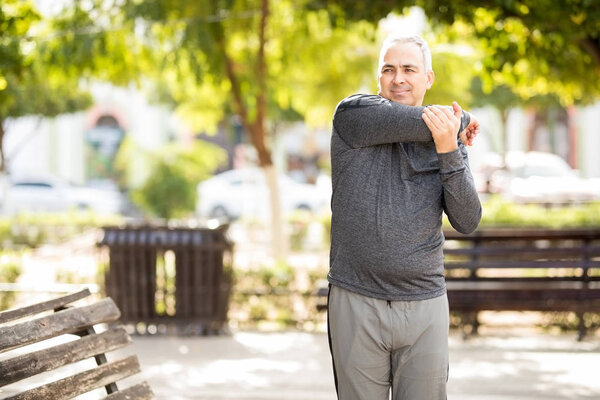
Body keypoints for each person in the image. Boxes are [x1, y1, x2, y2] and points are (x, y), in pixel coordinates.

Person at [327, 33, 482, 400]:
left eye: (409, 69)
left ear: (428, 78)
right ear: (378, 78)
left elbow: (468, 219)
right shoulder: (354, 115)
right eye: (388, 69)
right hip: (356, 300)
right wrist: (461, 121)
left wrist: (449, 150)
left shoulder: (447, 137)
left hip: (425, 305)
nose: (398, 78)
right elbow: (428, 123)